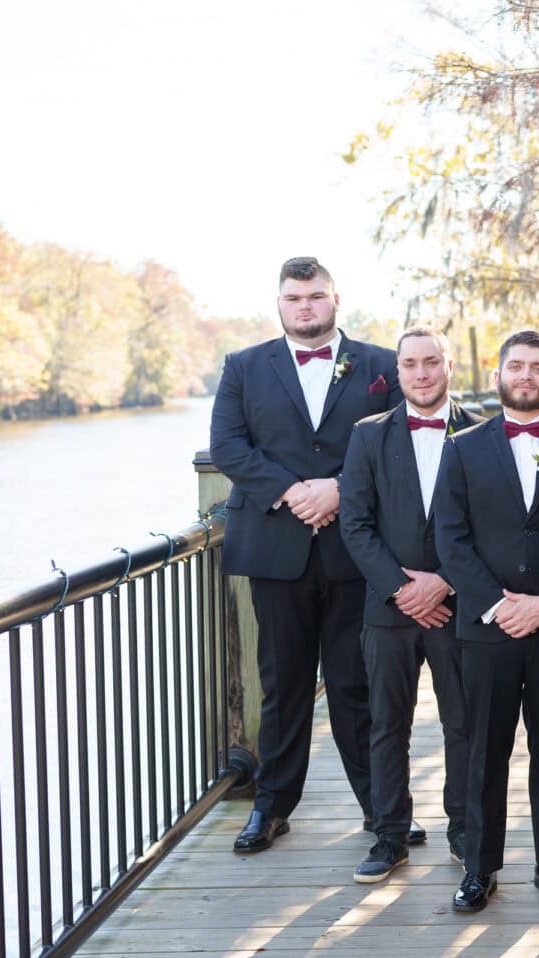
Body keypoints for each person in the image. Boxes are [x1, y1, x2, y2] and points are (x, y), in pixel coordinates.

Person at [209, 256, 401, 854]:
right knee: (283, 683)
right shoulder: (244, 366)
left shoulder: (380, 365)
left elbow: (400, 435)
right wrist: (294, 492)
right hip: (276, 547)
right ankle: (271, 806)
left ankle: (382, 809)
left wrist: (341, 488)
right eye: (294, 299)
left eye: (315, 296)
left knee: (355, 684)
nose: (305, 307)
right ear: (280, 304)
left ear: (336, 299)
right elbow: (228, 447)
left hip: (357, 551)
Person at [433, 330, 539, 913]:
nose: (526, 376)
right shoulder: (462, 447)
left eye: (537, 367)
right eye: (516, 366)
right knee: (482, 753)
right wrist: (496, 603)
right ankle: (479, 869)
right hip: (484, 629)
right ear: (498, 375)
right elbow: (450, 539)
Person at [339, 328, 479, 881]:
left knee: (462, 723)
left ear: (449, 366)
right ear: (397, 372)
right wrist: (402, 588)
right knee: (386, 723)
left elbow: (489, 528)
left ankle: (466, 832)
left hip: (456, 605)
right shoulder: (368, 436)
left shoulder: (479, 433)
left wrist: (443, 582)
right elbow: (355, 522)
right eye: (409, 365)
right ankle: (389, 833)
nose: (420, 374)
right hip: (387, 608)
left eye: (430, 363)